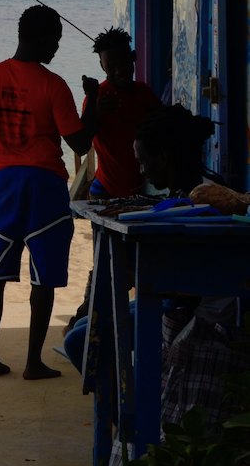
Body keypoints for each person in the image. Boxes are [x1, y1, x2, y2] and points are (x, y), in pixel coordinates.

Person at [62, 107, 241, 442]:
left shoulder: (207, 200)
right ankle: (133, 424)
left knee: (79, 341)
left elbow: (193, 285)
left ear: (163, 157)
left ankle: (134, 432)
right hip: (174, 301)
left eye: (144, 162)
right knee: (84, 328)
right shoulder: (179, 196)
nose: (141, 170)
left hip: (193, 313)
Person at [0, 5, 98, 380]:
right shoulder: (53, 84)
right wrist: (93, 102)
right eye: (54, 42)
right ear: (42, 40)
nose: (55, 49)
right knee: (43, 276)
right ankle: (33, 363)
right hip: (45, 187)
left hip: (5, 184)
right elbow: (81, 141)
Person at [83, 27, 161, 200]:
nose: (118, 72)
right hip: (106, 189)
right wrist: (92, 113)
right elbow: (82, 141)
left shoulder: (143, 91)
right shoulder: (99, 97)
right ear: (102, 65)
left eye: (124, 63)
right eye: (111, 67)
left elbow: (164, 123)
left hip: (140, 188)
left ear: (133, 57)